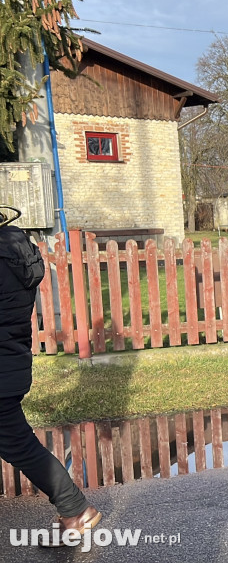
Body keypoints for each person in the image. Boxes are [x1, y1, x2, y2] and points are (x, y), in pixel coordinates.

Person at [0, 221, 103, 546]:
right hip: (11, 361)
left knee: (19, 446)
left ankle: (76, 510)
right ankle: (74, 510)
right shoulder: (13, 246)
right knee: (17, 444)